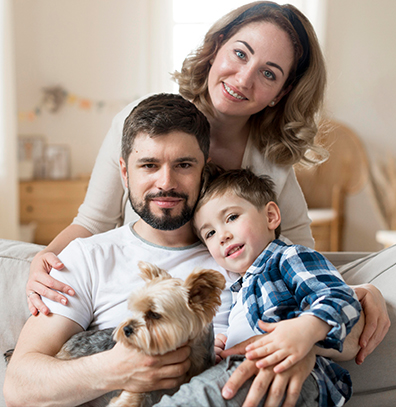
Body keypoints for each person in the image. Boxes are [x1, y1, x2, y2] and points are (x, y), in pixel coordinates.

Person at [26, 0, 388, 383]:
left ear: (281, 93)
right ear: (216, 46)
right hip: (144, 302)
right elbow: (92, 221)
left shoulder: (271, 162)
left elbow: (298, 258)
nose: (244, 79)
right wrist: (45, 258)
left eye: (268, 73)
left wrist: (354, 291)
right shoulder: (143, 123)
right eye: (240, 53)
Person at [5, 94, 316, 407]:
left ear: (203, 169)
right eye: (149, 165)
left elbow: (332, 313)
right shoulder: (87, 258)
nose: (166, 183)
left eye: (183, 165)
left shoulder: (244, 251)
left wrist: (308, 349)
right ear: (125, 173)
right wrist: (117, 370)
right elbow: (18, 386)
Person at [183, 167, 363, 407]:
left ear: (270, 217)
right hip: (242, 368)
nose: (222, 236)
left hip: (295, 374)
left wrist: (307, 328)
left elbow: (340, 296)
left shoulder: (288, 258)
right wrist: (219, 347)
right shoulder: (239, 287)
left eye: (232, 217)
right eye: (210, 233)